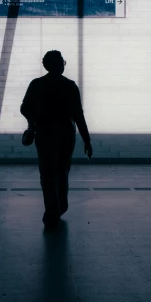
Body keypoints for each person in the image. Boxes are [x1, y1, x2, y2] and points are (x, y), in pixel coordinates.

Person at [21, 50, 92, 229]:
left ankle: (52, 209)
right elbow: (78, 115)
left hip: (44, 133)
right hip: (65, 135)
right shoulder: (69, 86)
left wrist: (32, 123)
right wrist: (87, 140)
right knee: (62, 171)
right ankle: (61, 205)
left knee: (47, 173)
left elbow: (24, 108)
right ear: (59, 64)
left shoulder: (37, 84)